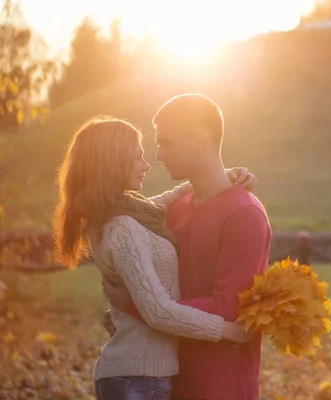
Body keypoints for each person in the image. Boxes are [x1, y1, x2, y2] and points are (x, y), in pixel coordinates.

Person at [51, 115, 259, 400]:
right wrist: (231, 332)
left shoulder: (125, 212)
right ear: (114, 163)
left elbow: (159, 204)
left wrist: (223, 177)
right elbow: (159, 311)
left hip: (141, 378)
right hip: (135, 380)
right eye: (138, 157)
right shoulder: (122, 227)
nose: (147, 164)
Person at [102, 94, 272, 400]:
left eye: (166, 143)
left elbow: (229, 310)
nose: (158, 156)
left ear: (198, 140)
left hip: (219, 384)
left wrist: (137, 306)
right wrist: (131, 309)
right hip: (163, 378)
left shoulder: (245, 214)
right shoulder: (174, 208)